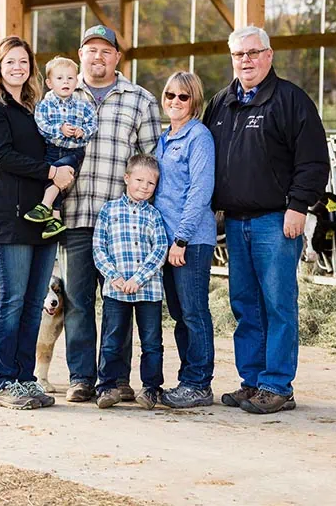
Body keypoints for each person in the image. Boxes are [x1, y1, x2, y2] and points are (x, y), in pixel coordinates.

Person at [202, 26, 329, 414]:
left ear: (269, 55)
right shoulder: (221, 104)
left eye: (254, 53)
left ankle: (277, 385)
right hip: (236, 223)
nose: (247, 60)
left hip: (276, 221)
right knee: (245, 304)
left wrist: (298, 206)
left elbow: (313, 160)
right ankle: (253, 380)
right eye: (239, 55)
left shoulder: (290, 101)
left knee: (277, 303)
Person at [60, 25, 162, 404]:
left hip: (123, 224)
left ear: (117, 57)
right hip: (74, 215)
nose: (98, 57)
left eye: (106, 51)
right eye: (91, 50)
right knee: (78, 300)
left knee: (118, 302)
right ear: (80, 55)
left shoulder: (140, 100)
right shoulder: (62, 96)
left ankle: (116, 379)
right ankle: (81, 377)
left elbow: (152, 162)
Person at [0, 35, 75, 410]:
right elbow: (3, 157)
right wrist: (52, 170)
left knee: (34, 303)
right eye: (9, 62)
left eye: (23, 62)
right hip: (10, 216)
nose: (18, 67)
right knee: (12, 300)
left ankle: (24, 377)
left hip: (42, 217)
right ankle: (4, 381)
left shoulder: (37, 107)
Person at [153, 71, 218, 409]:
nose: (175, 102)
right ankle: (186, 379)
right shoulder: (164, 138)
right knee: (179, 312)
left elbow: (200, 191)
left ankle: (199, 383)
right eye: (169, 95)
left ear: (194, 101)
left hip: (189, 240)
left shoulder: (199, 137)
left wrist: (181, 239)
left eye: (183, 96)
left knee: (193, 311)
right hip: (165, 242)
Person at [92, 154, 168, 410]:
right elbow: (98, 248)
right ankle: (107, 386)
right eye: (139, 180)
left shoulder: (154, 215)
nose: (144, 187)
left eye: (151, 183)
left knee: (151, 343)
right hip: (116, 289)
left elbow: (160, 249)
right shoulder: (109, 210)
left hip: (148, 289)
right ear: (127, 178)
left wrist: (138, 278)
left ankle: (151, 388)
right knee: (112, 340)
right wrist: (113, 276)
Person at [26, 56, 98, 239]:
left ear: (77, 81)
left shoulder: (84, 106)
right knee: (52, 180)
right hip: (52, 149)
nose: (65, 81)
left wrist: (83, 131)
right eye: (60, 78)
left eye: (70, 78)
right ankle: (56, 219)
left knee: (58, 174)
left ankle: (44, 206)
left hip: (74, 152)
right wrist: (59, 129)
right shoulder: (44, 105)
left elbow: (93, 124)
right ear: (50, 83)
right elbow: (41, 125)